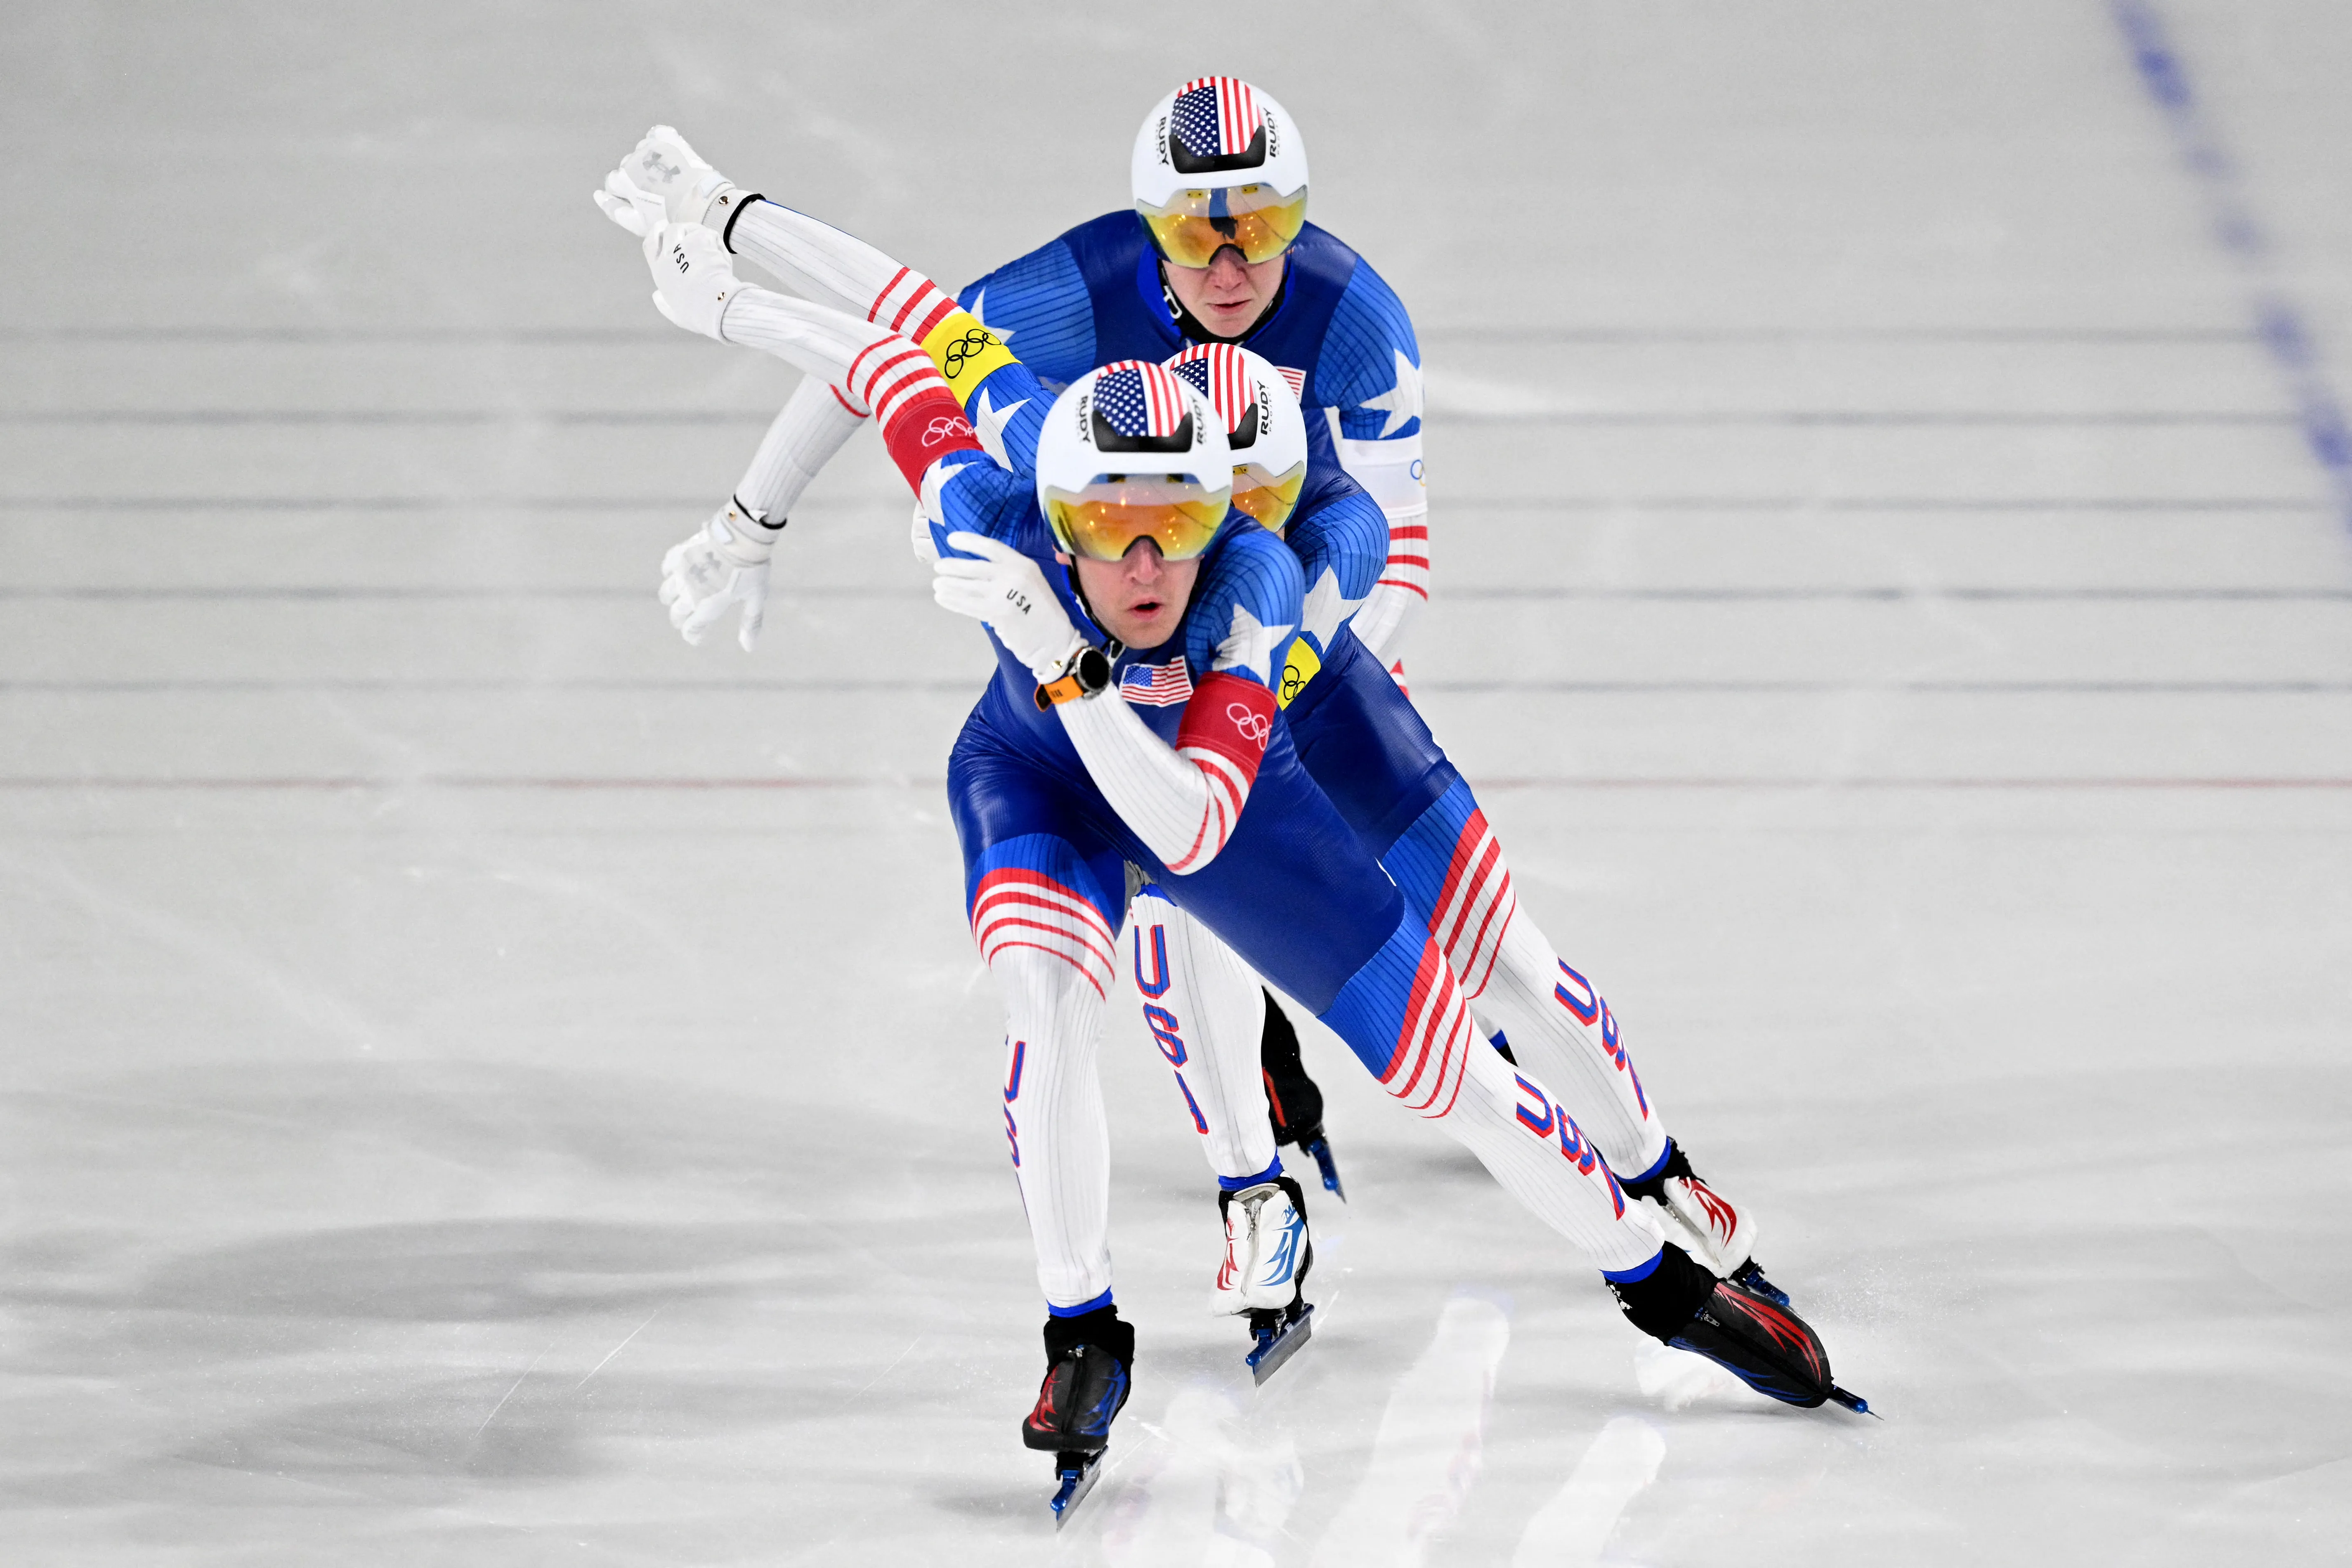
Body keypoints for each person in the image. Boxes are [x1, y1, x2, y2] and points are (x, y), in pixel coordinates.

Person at [593, 159, 1865, 1510]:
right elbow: (913, 340)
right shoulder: (1000, 484)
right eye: (1110, 527)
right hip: (1049, 771)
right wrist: (731, 285)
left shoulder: (1274, 576)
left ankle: (1659, 1263)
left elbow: (1194, 828)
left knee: (1462, 1053)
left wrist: (1061, 655)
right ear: (1056, 497)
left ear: (1241, 506)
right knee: (1045, 1010)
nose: (1145, 567)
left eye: (1186, 524)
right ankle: (1094, 1317)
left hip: (1244, 772)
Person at [652, 79, 1422, 1186]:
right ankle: (1253, 1167)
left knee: (1243, 852)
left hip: (1264, 624)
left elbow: (1397, 561)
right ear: (1150, 231)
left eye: (1257, 232)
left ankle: (1307, 1113)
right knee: (1171, 896)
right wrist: (750, 507)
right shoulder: (1073, 308)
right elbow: (902, 342)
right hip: (1124, 612)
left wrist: (1282, 702)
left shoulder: (1353, 321)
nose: (1225, 270)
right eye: (1192, 236)